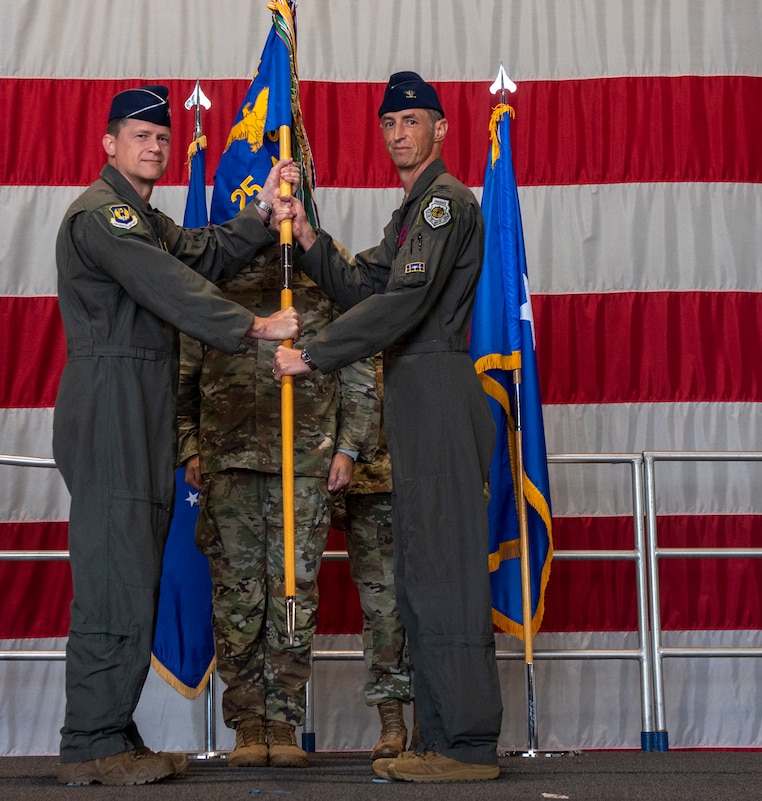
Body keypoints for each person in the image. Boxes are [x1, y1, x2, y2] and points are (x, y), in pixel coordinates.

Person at [52, 84, 302, 787]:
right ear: (108, 143)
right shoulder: (103, 216)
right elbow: (169, 281)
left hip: (138, 404)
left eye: (161, 137)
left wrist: (261, 214)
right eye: (139, 135)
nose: (155, 146)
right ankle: (91, 740)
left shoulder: (143, 218)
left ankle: (109, 727)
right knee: (113, 576)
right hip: (109, 406)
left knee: (131, 572)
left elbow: (201, 250)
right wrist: (252, 326)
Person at [272, 71, 502, 782]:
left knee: (446, 573)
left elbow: (400, 302)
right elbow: (363, 282)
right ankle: (440, 735)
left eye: (412, 121)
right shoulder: (410, 212)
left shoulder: (443, 206)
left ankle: (463, 743)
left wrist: (313, 353)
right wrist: (307, 238)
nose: (399, 134)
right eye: (390, 124)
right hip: (414, 392)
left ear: (441, 130)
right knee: (420, 576)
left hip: (436, 383)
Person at [176, 243, 376, 769]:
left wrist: (349, 446)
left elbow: (358, 363)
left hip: (304, 463)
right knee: (237, 600)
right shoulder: (216, 282)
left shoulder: (327, 278)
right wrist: (189, 444)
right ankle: (247, 723)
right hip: (231, 462)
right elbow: (182, 375)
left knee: (294, 593)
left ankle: (283, 719)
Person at [332, 357, 414, 761]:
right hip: (368, 492)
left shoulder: (427, 330)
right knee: (383, 614)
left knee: (433, 609)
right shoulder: (349, 334)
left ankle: (436, 720)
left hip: (427, 489)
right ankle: (392, 721)